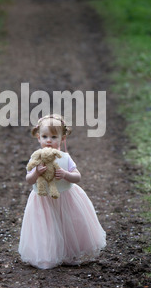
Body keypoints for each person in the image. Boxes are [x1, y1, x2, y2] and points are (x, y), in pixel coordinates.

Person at [18, 114, 106, 269]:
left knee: (68, 225)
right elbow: (29, 180)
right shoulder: (36, 159)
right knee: (47, 227)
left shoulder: (65, 158)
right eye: (45, 136)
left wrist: (66, 175)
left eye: (54, 136)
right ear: (38, 138)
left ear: (62, 138)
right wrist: (36, 173)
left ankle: (70, 252)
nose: (49, 140)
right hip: (43, 200)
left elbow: (77, 176)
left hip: (66, 197)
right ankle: (49, 255)